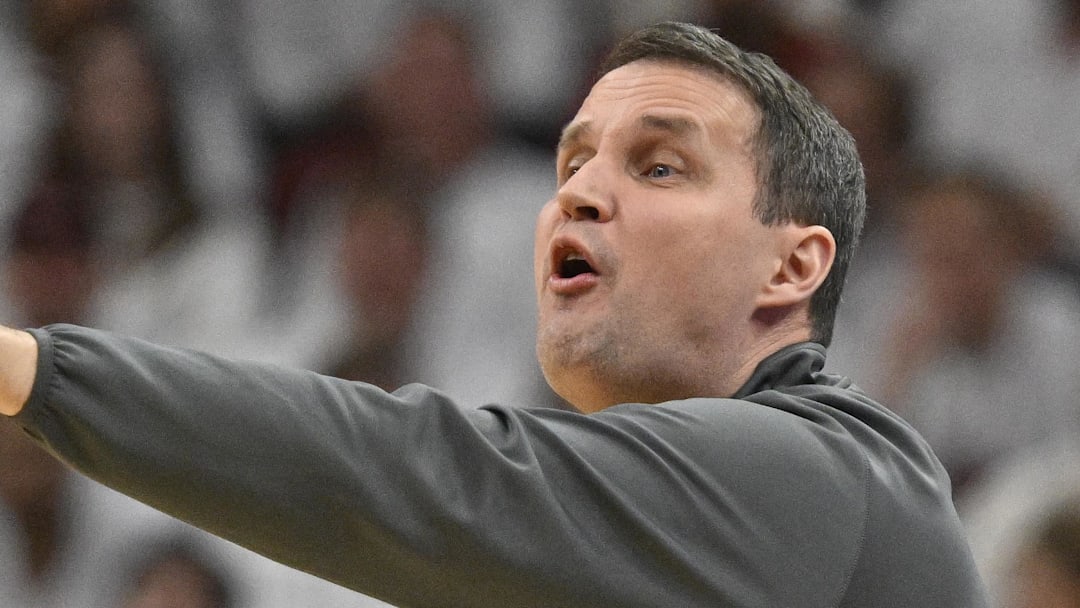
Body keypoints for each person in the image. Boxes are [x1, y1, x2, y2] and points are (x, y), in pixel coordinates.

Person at [0, 22, 987, 607]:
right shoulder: (669, 536)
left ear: (791, 265)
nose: (579, 193)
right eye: (572, 163)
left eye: (658, 165)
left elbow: (420, 472)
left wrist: (29, 369)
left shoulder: (817, 468)